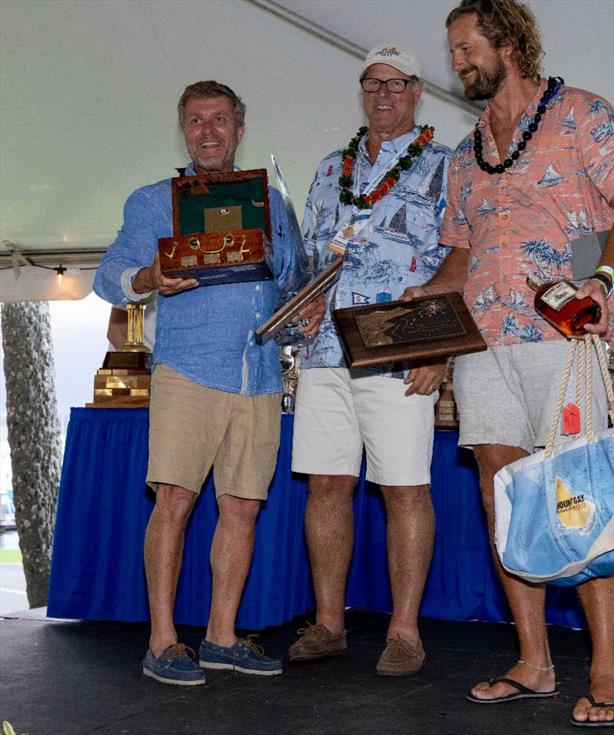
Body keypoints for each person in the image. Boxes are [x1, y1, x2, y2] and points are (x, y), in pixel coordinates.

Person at [406, 1, 614, 726]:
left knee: (579, 496)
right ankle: (535, 660)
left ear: (509, 43)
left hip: (562, 337)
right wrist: (417, 303)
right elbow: (461, 254)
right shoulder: (463, 156)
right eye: (453, 51)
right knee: (504, 499)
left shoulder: (583, 114)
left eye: (464, 48)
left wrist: (601, 281)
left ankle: (605, 669)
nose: (456, 63)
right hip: (482, 348)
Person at [94, 81, 323, 686]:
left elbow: (294, 281)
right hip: (188, 369)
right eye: (196, 121)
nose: (209, 132)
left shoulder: (274, 205)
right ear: (183, 130)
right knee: (175, 502)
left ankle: (222, 638)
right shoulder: (151, 201)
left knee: (243, 508)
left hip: (261, 374)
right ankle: (163, 641)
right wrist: (150, 275)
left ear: (239, 129)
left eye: (219, 120)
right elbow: (107, 276)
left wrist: (304, 307)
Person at [288, 45, 453, 676]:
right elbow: (308, 259)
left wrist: (440, 349)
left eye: (396, 83)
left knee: (404, 488)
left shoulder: (445, 165)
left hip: (400, 350)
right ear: (362, 92)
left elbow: (459, 260)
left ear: (417, 91)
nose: (383, 93)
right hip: (325, 352)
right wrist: (299, 309)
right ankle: (330, 623)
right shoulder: (331, 168)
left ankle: (404, 633)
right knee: (327, 484)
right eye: (372, 83)